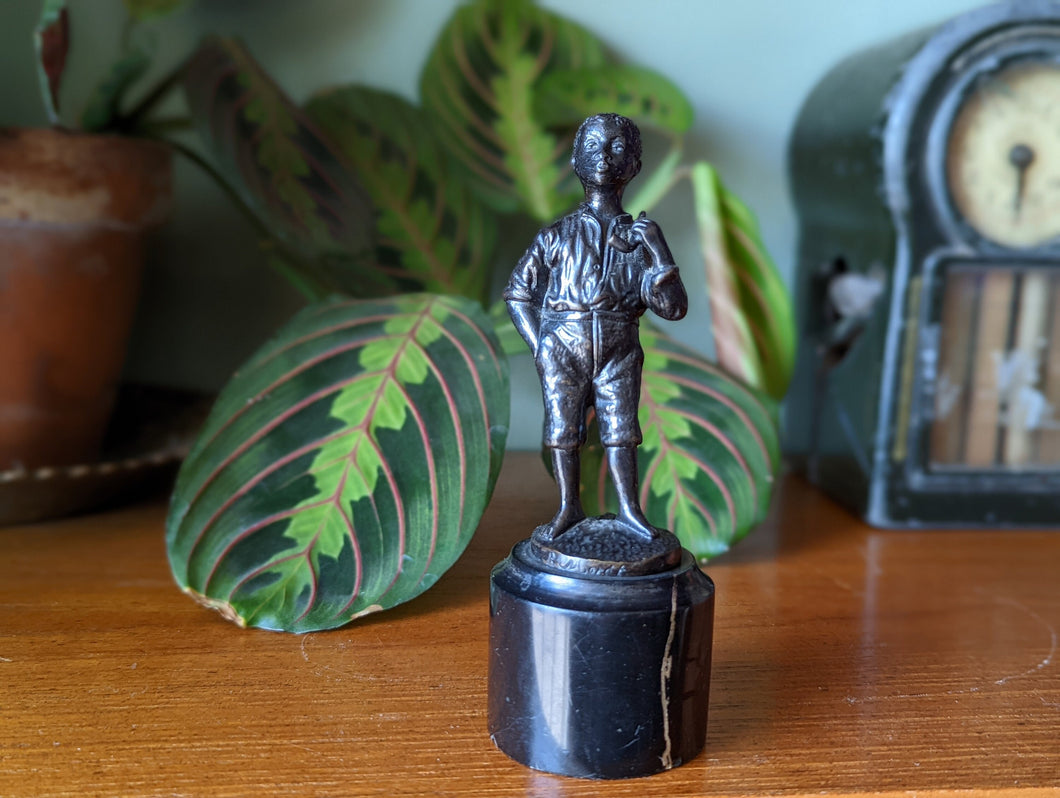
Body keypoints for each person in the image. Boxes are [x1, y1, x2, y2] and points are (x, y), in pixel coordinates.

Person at [504, 113, 688, 542]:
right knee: (563, 428)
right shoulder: (557, 234)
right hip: (562, 342)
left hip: (620, 344)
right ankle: (568, 509)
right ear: (575, 161)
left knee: (622, 429)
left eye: (618, 148)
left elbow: (673, 308)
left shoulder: (642, 238)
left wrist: (658, 252)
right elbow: (518, 294)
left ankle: (629, 509)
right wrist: (541, 345)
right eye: (592, 147)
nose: (604, 157)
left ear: (635, 165)